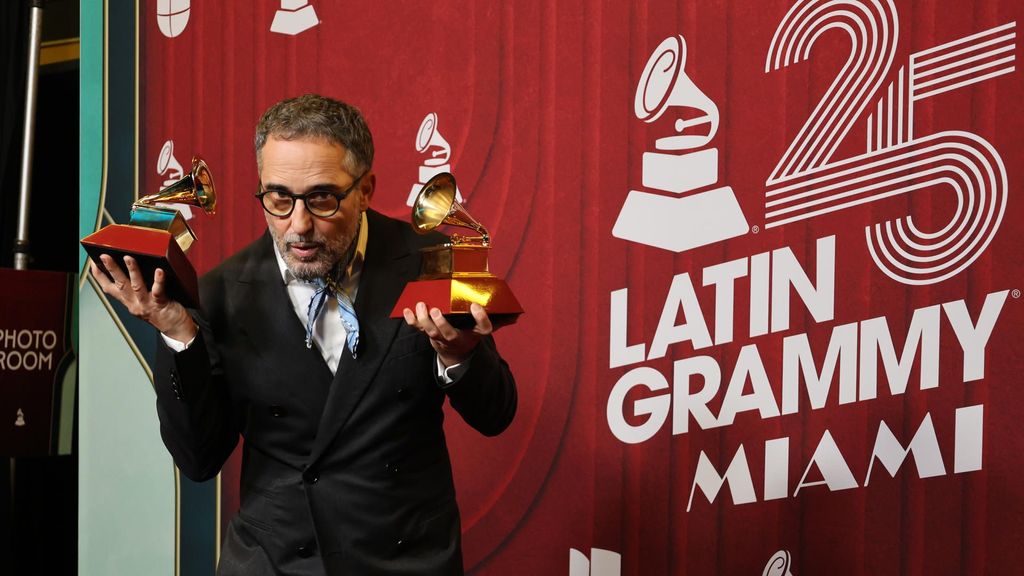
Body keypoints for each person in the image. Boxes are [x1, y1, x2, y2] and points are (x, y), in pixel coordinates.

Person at [89, 94, 518, 575]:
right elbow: (198, 458)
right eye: (278, 199)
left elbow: (495, 414)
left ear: (366, 189)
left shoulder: (430, 261)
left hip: (404, 560)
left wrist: (458, 357)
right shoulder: (221, 293)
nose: (299, 225)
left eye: (322, 198)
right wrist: (177, 334)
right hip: (275, 563)